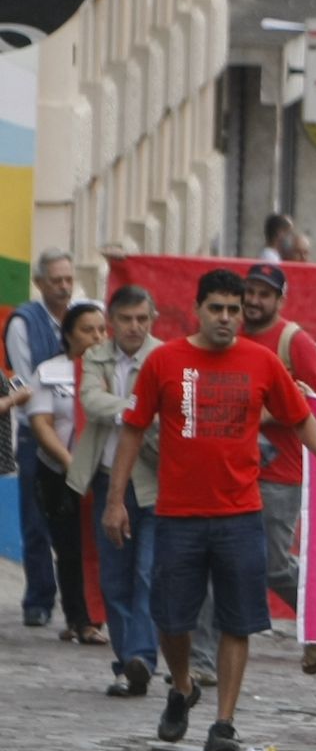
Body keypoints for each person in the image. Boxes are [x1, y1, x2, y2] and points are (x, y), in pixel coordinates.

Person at [103, 270, 316, 751]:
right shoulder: (164, 361)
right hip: (177, 512)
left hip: (241, 513)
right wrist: (116, 501)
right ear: (198, 309)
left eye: (234, 309)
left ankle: (224, 721)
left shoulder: (263, 361)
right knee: (172, 619)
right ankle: (181, 687)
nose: (226, 318)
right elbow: (133, 430)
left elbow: (302, 416)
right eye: (216, 308)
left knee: (237, 621)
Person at [238, 262, 316, 659]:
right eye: (251, 291)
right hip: (233, 468)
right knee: (224, 559)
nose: (254, 300)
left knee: (273, 563)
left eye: (264, 293)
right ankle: (204, 657)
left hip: (282, 471)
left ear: (280, 299)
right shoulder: (230, 334)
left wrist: (264, 412)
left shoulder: (294, 342)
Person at [80, 288, 162, 696]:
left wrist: (127, 408)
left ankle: (142, 659)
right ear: (112, 320)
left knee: (148, 573)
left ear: (152, 319)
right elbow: (91, 401)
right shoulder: (97, 355)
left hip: (152, 480)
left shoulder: (164, 357)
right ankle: (126, 661)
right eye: (127, 318)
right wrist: (136, 407)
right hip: (107, 476)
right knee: (114, 578)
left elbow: (165, 417)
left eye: (142, 319)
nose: (135, 326)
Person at [20, 299, 100, 649]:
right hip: (59, 470)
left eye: (101, 329)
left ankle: (103, 613)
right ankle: (79, 618)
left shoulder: (115, 370)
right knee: (69, 547)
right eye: (87, 330)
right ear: (68, 335)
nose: (96, 336)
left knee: (105, 546)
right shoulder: (49, 371)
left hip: (106, 470)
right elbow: (41, 423)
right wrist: (70, 462)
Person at [8, 248, 70, 627]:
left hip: (76, 434)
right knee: (36, 520)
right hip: (36, 434)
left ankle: (80, 602)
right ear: (39, 282)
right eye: (56, 281)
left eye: (68, 279)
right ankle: (39, 598)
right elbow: (27, 382)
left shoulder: (82, 315)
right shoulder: (23, 323)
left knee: (76, 523)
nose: (64, 287)